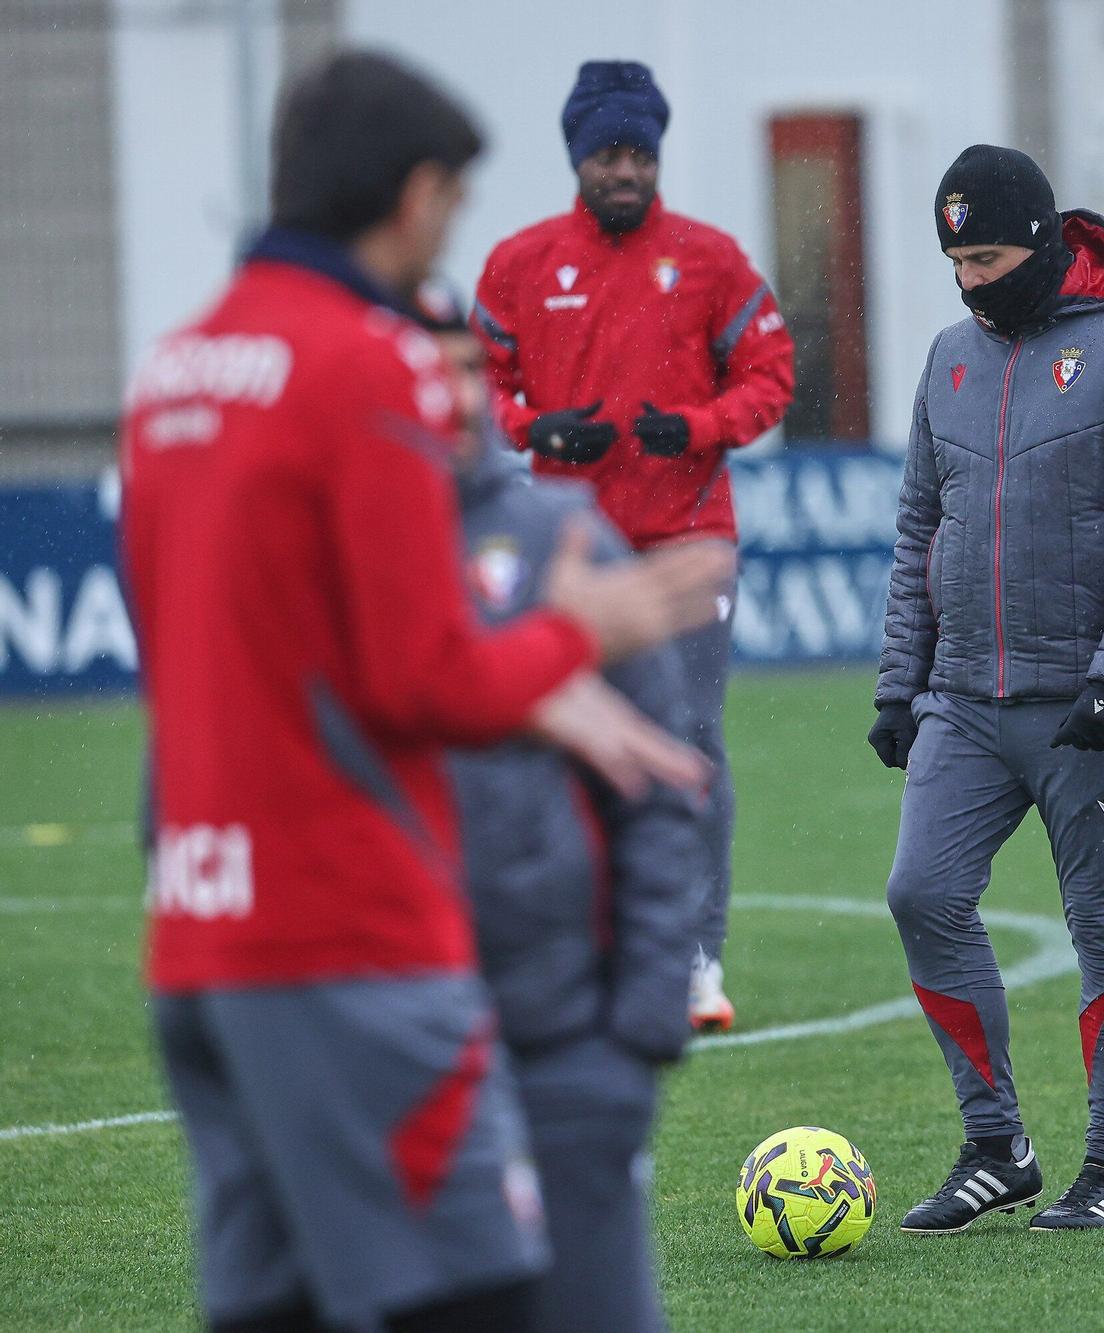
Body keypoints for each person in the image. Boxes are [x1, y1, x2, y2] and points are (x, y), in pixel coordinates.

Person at [123, 52, 727, 1333]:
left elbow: (253, 665)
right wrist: (570, 641)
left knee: (278, 1306)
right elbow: (427, 677)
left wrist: (523, 690)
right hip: (355, 941)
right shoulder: (363, 366)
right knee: (497, 1299)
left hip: (200, 938)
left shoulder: (178, 369)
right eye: (449, 208)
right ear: (414, 194)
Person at [870, 145, 1104, 1234]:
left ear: (1042, 241)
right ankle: (994, 1144)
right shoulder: (944, 362)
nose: (969, 279)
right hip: (963, 699)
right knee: (921, 893)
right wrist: (897, 685)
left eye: (985, 256)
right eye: (954, 260)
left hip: (1088, 705)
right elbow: (920, 527)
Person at [473, 60, 796, 1033]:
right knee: (562, 742)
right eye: (608, 153)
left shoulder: (711, 259)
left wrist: (698, 426)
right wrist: (533, 428)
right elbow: (474, 383)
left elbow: (772, 374)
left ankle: (697, 958)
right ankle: (576, 946)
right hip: (566, 548)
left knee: (689, 741)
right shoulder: (520, 263)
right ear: (579, 158)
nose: (625, 170)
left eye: (639, 154)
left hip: (687, 544)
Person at [422, 286, 709, 1333]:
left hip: (560, 1039)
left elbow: (660, 792)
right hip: (389, 1040)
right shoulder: (335, 544)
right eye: (425, 368)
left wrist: (633, 1029)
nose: (449, 395)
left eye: (466, 368)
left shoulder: (560, 536)